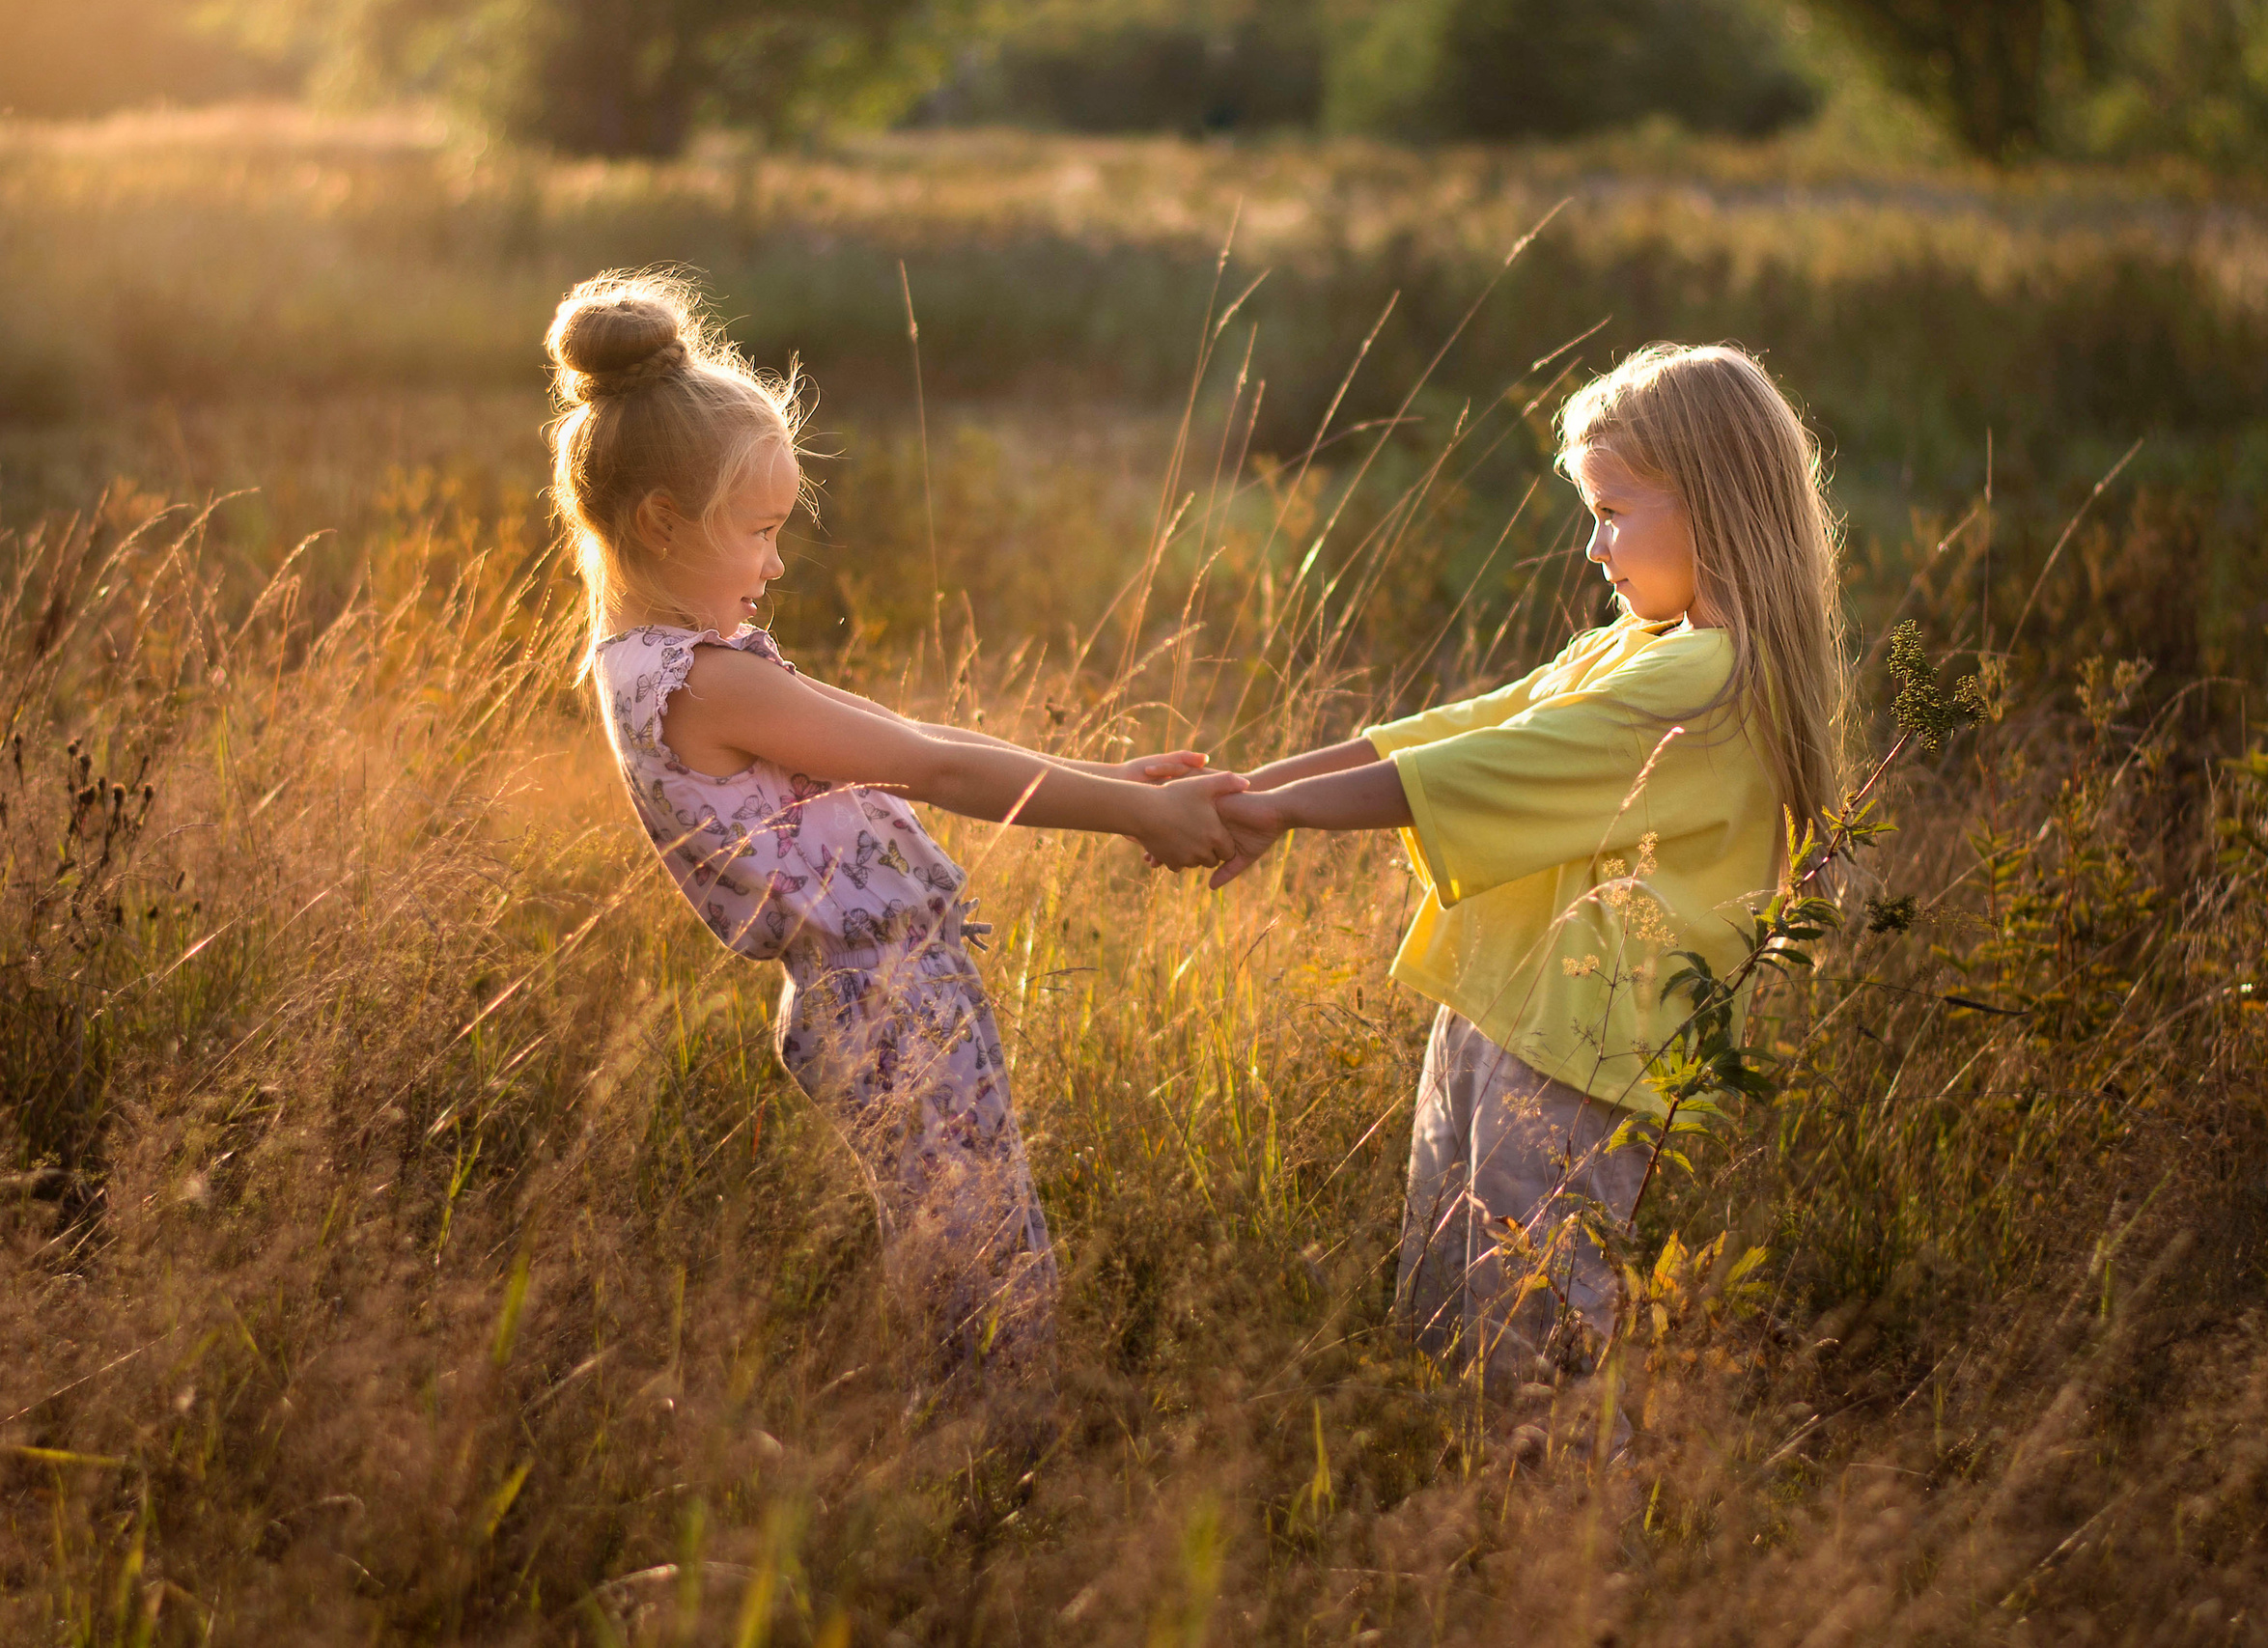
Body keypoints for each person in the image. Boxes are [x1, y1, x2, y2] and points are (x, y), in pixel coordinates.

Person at [547, 271, 1244, 1369]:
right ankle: (976, 1491)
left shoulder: (665, 667)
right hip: (882, 1007)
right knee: (988, 1289)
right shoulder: (701, 683)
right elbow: (933, 767)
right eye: (761, 530)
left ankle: (967, 1470)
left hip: (883, 997)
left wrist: (1113, 781)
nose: (777, 562)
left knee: (972, 1265)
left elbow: (907, 741)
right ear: (661, 522)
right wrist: (1134, 815)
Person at [1214, 343, 1846, 1384]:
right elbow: (1453, 727)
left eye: (1612, 512)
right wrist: (1250, 790)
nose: (1594, 548)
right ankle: (1466, 1533)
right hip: (1498, 1015)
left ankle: (1562, 1540)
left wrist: (1274, 811)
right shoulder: (1635, 644)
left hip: (1574, 1055)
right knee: (1436, 1307)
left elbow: (1472, 769)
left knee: (1528, 1349)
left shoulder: (1703, 680)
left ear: (1714, 505)